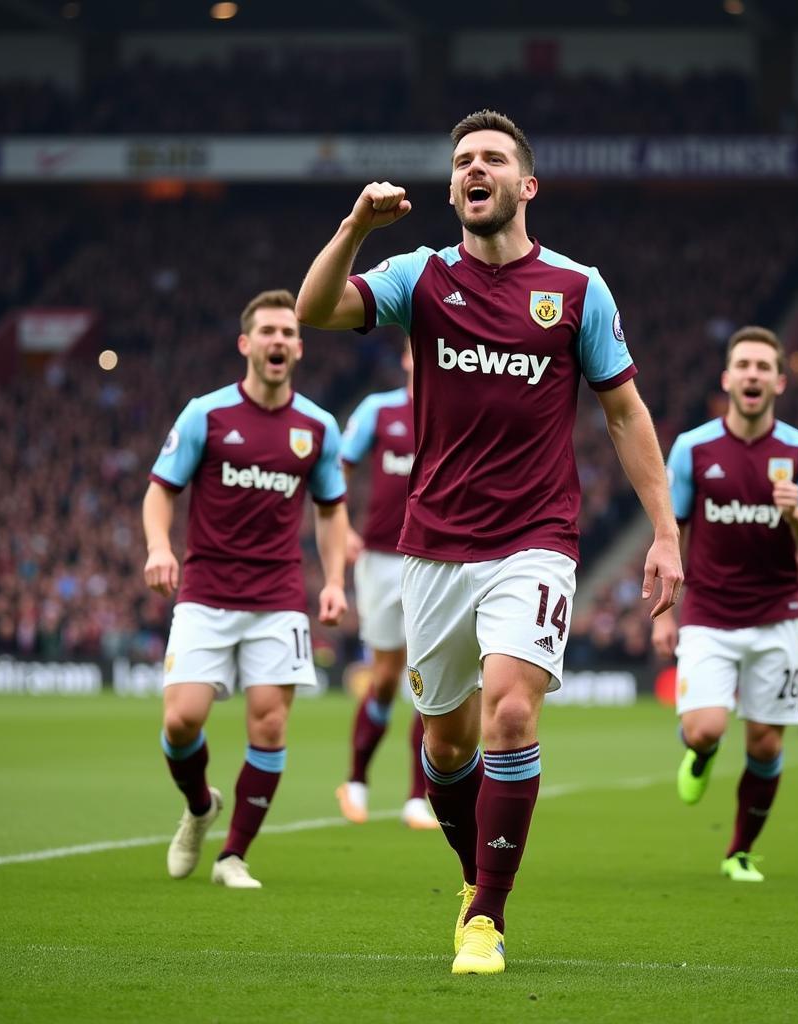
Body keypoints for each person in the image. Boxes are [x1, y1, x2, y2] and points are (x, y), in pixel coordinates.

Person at [296, 109, 682, 974]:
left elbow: (623, 411)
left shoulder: (578, 289)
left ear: (525, 184)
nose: (476, 168)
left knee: (511, 709)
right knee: (445, 745)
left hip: (536, 538)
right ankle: (478, 877)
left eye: (494, 159)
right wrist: (356, 225)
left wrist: (664, 530)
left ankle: (486, 919)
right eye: (463, 160)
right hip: (431, 545)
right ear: (453, 187)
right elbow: (316, 307)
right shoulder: (420, 276)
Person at [143, 288, 348, 889]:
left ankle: (234, 855)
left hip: (278, 597)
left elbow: (332, 510)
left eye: (288, 332)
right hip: (205, 591)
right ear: (246, 344)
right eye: (267, 332)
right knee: (182, 722)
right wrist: (159, 546)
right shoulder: (205, 415)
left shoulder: (317, 427)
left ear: (300, 348)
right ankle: (202, 807)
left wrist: (334, 580)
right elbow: (161, 490)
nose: (278, 341)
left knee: (270, 726)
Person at [652, 325, 798, 883]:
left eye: (763, 366)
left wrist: (795, 513)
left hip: (778, 616)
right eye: (744, 365)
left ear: (779, 380)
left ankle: (739, 851)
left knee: (765, 741)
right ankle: (702, 755)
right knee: (706, 728)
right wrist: (664, 614)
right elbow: (670, 531)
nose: (753, 375)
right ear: (728, 378)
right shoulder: (693, 447)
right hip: (709, 613)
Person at [336, 338, 439, 831]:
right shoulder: (378, 411)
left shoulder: (458, 410)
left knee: (428, 680)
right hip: (379, 558)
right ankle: (356, 779)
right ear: (404, 358)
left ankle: (417, 796)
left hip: (437, 556)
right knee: (384, 676)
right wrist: (343, 528)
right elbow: (336, 468)